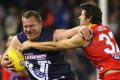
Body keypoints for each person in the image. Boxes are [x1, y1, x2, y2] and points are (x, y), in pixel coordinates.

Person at [21, 2, 120, 80]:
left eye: (82, 15)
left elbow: (56, 46)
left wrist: (31, 44)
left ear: (89, 18)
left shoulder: (85, 36)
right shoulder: (105, 28)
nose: (79, 17)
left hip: (112, 76)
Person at [1, 10, 92, 80]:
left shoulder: (53, 35)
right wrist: (4, 62)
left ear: (40, 24)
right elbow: (6, 56)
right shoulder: (18, 40)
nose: (28, 29)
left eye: (32, 26)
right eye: (25, 26)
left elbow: (72, 31)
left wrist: (83, 27)